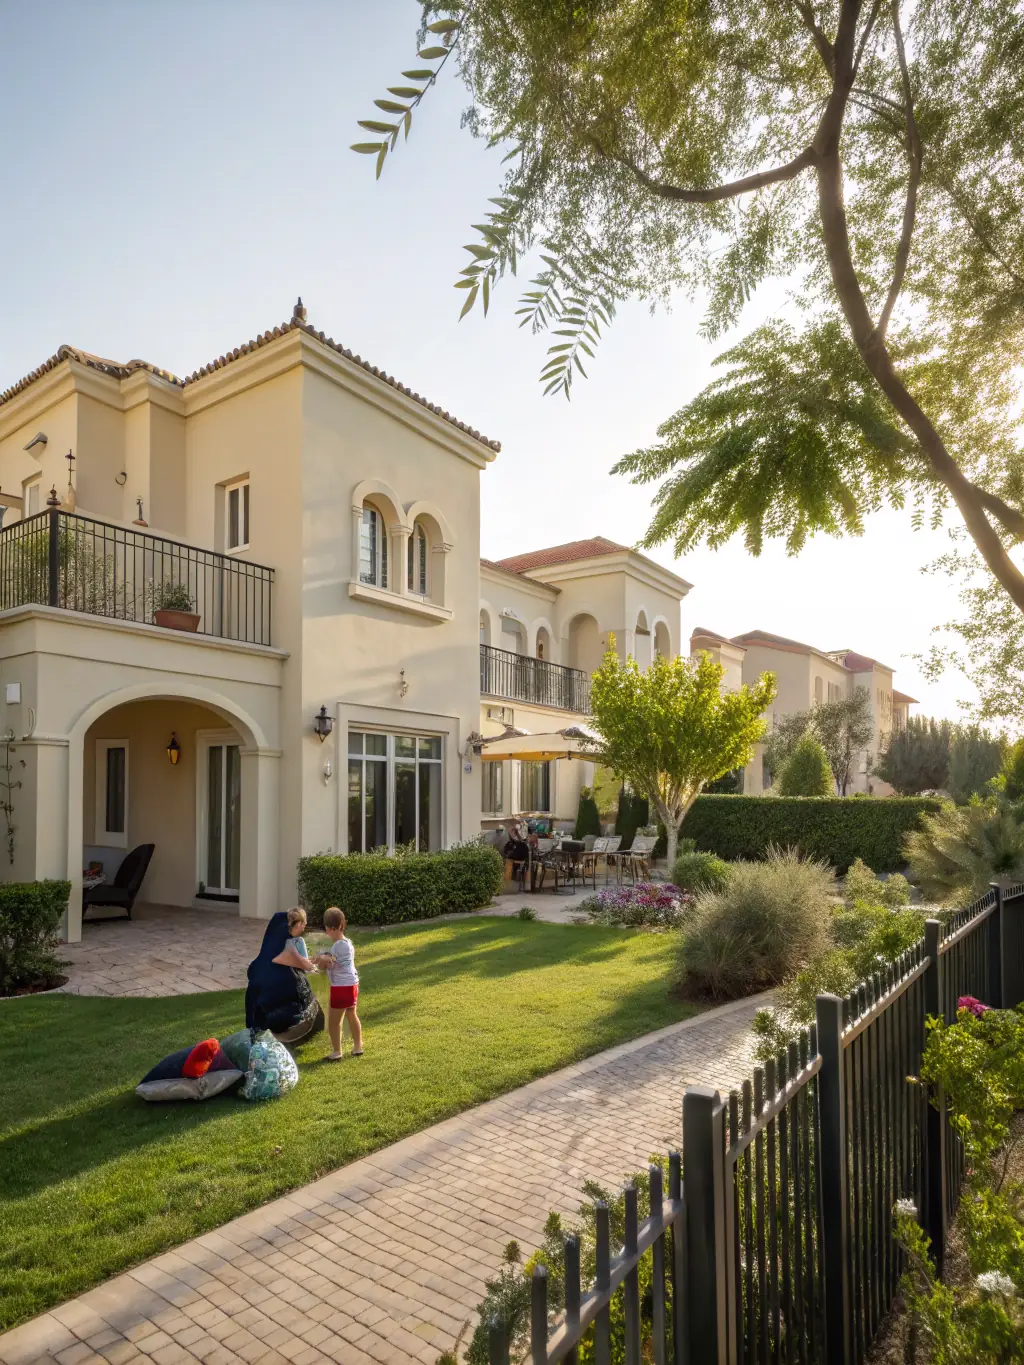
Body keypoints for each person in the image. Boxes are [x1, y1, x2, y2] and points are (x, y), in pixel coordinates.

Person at [245, 910, 325, 1044]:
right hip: (277, 1008)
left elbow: (300, 960)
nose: (304, 927)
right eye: (303, 924)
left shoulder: (278, 936)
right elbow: (302, 962)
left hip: (261, 996)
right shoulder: (286, 945)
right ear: (298, 924)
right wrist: (315, 964)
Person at [315, 906, 362, 1063]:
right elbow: (335, 958)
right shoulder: (348, 942)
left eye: (327, 929)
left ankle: (337, 1052)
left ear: (330, 929)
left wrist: (321, 959)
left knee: (334, 1022)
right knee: (351, 1015)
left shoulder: (337, 946)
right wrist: (324, 956)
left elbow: (330, 962)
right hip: (353, 984)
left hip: (341, 988)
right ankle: (357, 1046)